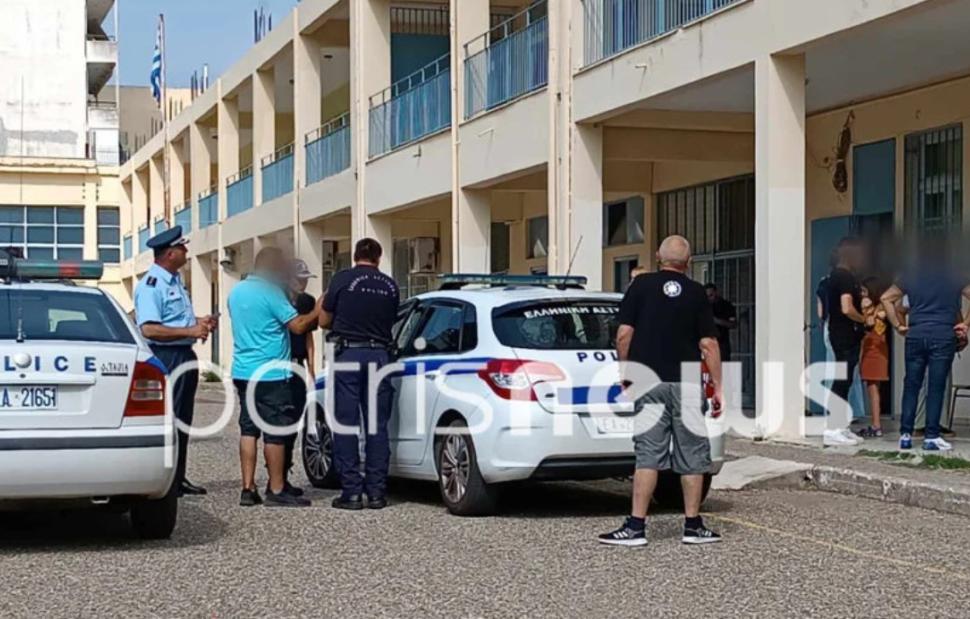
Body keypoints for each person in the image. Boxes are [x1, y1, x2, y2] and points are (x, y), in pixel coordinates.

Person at [598, 235, 723, 547]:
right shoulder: (696, 292)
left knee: (648, 455)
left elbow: (624, 335)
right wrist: (718, 387)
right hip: (687, 382)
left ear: (657, 256)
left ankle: (636, 527)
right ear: (688, 262)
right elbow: (709, 343)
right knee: (692, 454)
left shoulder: (640, 286)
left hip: (648, 380)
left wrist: (626, 373)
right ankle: (692, 525)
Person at [228, 247, 322, 507]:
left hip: (243, 370)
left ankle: (248, 488)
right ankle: (277, 488)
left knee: (248, 429)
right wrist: (317, 309)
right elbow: (298, 326)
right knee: (275, 431)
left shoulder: (236, 292)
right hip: (271, 373)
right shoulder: (271, 292)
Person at [134, 225, 216, 497]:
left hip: (183, 355)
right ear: (170, 253)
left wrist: (199, 322)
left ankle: (178, 477)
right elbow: (149, 329)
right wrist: (190, 331)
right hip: (166, 356)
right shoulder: (152, 285)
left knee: (183, 419)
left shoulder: (174, 281)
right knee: (170, 419)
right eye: (182, 247)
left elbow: (175, 320)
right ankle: (168, 479)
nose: (186, 251)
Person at [320, 238, 400, 510]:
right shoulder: (390, 285)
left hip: (349, 355)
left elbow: (323, 320)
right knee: (377, 426)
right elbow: (392, 321)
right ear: (379, 257)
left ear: (355, 256)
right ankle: (377, 493)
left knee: (346, 424)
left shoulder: (342, 280)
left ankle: (352, 492)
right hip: (380, 356)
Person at [881, 242, 970, 452]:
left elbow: (886, 298)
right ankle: (931, 436)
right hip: (943, 334)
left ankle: (905, 435)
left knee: (912, 385)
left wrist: (898, 326)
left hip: (916, 334)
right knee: (936, 386)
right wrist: (965, 324)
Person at [823, 238, 867, 446]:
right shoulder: (844, 277)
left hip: (841, 333)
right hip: (844, 334)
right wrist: (863, 319)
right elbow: (847, 307)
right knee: (842, 380)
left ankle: (840, 426)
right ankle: (833, 428)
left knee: (846, 380)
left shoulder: (838, 276)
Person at [285, 259, 318, 494]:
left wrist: (311, 367)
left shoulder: (307, 302)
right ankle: (277, 472)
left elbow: (308, 336)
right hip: (279, 363)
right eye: (299, 279)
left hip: (297, 363)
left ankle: (285, 467)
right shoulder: (278, 299)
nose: (303, 283)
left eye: (305, 279)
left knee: (295, 418)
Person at [858, 277, 889, 438]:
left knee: (872, 387)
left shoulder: (877, 309)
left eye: (864, 290)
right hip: (876, 348)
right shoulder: (882, 307)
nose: (861, 293)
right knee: (873, 386)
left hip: (873, 348)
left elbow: (870, 324)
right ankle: (876, 423)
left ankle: (876, 425)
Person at [704, 283, 737, 362]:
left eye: (711, 295)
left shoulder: (726, 305)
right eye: (706, 296)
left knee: (724, 367)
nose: (709, 298)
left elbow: (733, 324)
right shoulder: (704, 307)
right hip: (707, 344)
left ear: (716, 293)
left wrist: (717, 321)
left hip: (722, 344)